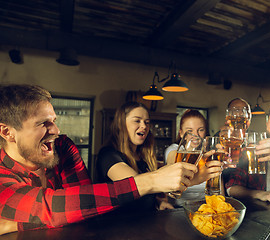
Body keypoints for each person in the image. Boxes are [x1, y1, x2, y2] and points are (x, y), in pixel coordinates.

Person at [0, 84, 197, 234]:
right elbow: (50, 207)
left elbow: (81, 209)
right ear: (7, 132)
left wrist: (14, 223)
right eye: (43, 123)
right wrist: (152, 181)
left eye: (54, 121)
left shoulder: (62, 146)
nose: (56, 131)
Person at [96, 102, 174, 212]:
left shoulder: (143, 157)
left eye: (147, 122)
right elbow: (136, 187)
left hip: (144, 223)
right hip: (117, 226)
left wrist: (158, 203)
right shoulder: (108, 155)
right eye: (137, 121)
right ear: (121, 124)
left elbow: (146, 199)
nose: (144, 126)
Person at [164, 109, 222, 192]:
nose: (196, 135)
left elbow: (219, 188)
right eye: (189, 131)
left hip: (206, 203)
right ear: (181, 133)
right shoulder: (175, 149)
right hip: (180, 204)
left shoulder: (211, 153)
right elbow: (173, 163)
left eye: (201, 130)